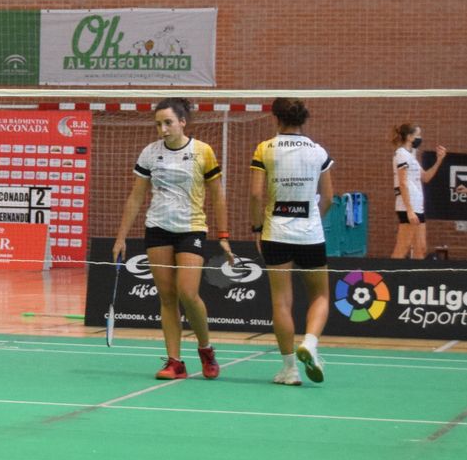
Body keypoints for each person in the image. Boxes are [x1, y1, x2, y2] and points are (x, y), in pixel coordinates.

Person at [111, 98, 235, 380]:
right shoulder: (150, 153)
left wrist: (224, 235)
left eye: (168, 122)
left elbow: (217, 195)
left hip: (191, 228)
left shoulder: (202, 151)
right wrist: (121, 237)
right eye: (158, 124)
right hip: (157, 228)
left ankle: (206, 349)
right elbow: (136, 196)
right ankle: (175, 362)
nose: (162, 129)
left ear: (182, 122)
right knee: (167, 298)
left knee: (188, 294)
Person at [249, 98, 335, 386]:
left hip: (276, 234)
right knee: (321, 296)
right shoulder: (318, 151)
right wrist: (314, 221)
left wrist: (256, 228)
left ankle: (289, 369)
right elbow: (330, 197)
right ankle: (310, 343)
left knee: (281, 302)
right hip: (311, 234)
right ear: (303, 119)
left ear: (276, 118)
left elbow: (256, 195)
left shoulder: (265, 148)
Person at [390, 122, 446, 259]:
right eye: (418, 135)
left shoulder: (411, 156)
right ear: (409, 137)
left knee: (421, 248)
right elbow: (402, 183)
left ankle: (415, 278)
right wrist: (409, 210)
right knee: (403, 247)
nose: (420, 138)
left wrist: (439, 160)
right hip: (407, 206)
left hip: (417, 206)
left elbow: (425, 177)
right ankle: (388, 278)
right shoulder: (401, 154)